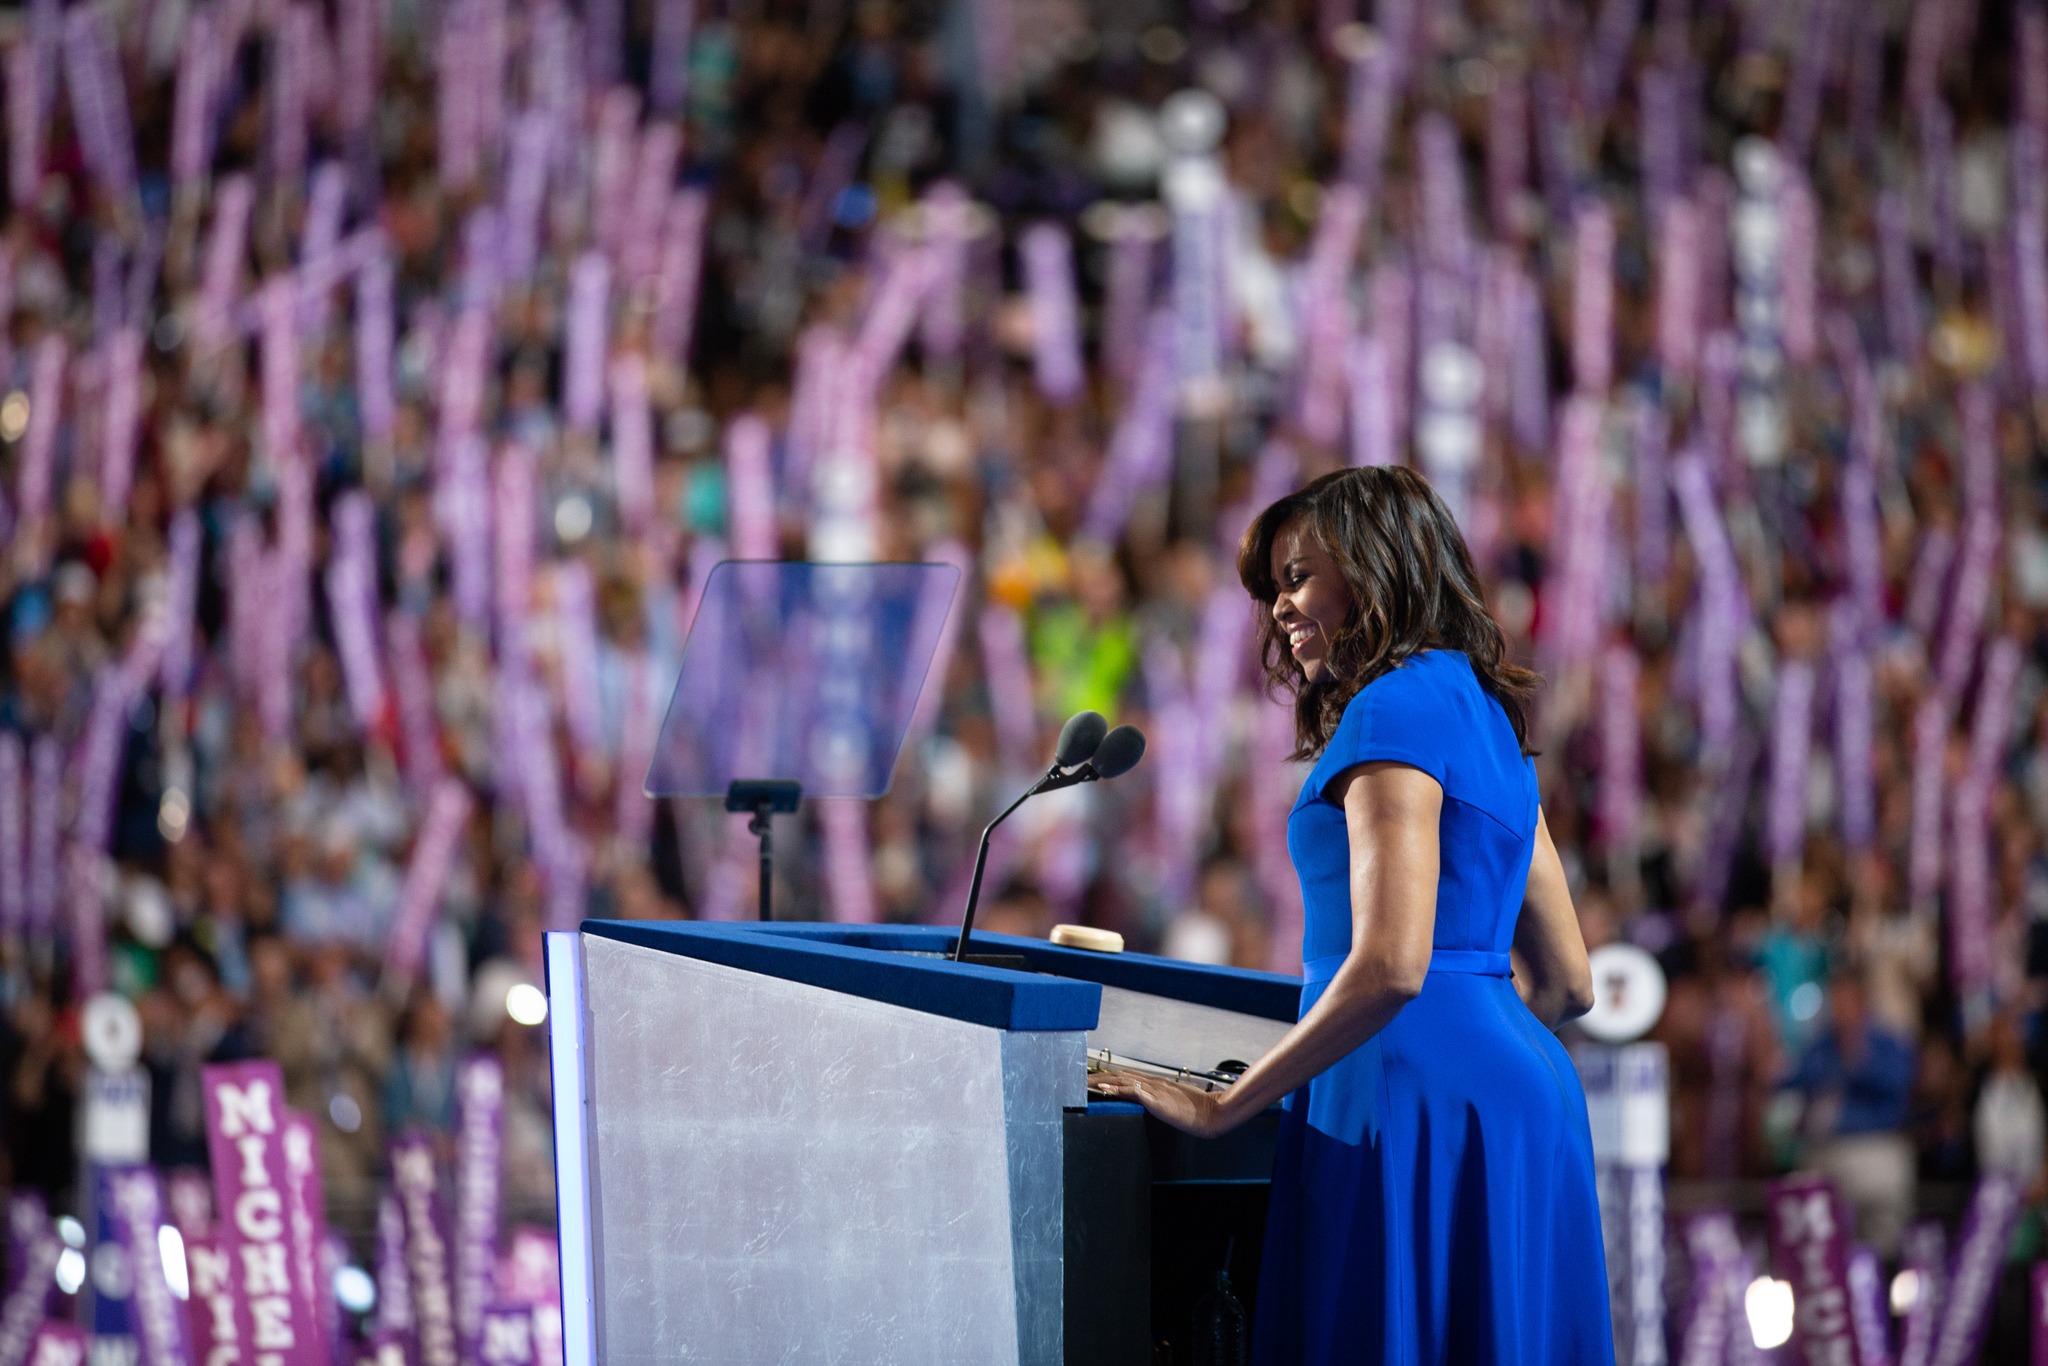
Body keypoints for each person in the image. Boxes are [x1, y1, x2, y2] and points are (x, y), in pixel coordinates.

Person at [1092, 467, 1611, 1362]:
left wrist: (1224, 1105)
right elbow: (1567, 982)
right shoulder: (1486, 714)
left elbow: (1390, 966)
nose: (1280, 610)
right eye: (1273, 591)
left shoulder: (1388, 711)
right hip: (1519, 1105)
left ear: (1373, 568)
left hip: (1397, 1096)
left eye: (1297, 579)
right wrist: (1477, 1050)